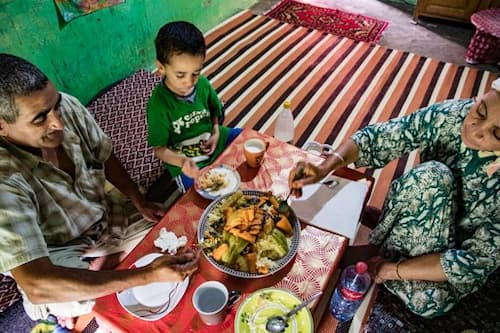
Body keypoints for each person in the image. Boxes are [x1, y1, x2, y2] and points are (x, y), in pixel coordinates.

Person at [0, 54, 200, 329]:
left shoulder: (66, 107)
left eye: (55, 105)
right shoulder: (4, 178)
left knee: (175, 235)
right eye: (40, 119)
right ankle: (102, 268)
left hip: (103, 213)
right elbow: (36, 282)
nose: (58, 121)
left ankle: (104, 263)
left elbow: (104, 155)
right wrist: (145, 276)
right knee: (72, 301)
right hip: (56, 247)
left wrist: (138, 200)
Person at [289, 78, 500, 318]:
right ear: (480, 97)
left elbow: (476, 261)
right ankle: (389, 240)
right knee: (432, 177)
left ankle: (386, 252)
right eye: (480, 111)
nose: (477, 130)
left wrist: (391, 270)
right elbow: (384, 136)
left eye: (497, 134)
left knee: (430, 302)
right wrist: (324, 168)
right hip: (427, 201)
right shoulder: (451, 115)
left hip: (456, 250)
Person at [147, 21, 241, 193]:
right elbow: (159, 149)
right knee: (196, 194)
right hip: (186, 160)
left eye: (195, 73)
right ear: (161, 68)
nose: (189, 82)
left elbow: (215, 111)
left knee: (246, 138)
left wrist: (216, 132)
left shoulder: (203, 85)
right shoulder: (158, 104)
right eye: (180, 75)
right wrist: (182, 162)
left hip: (212, 141)